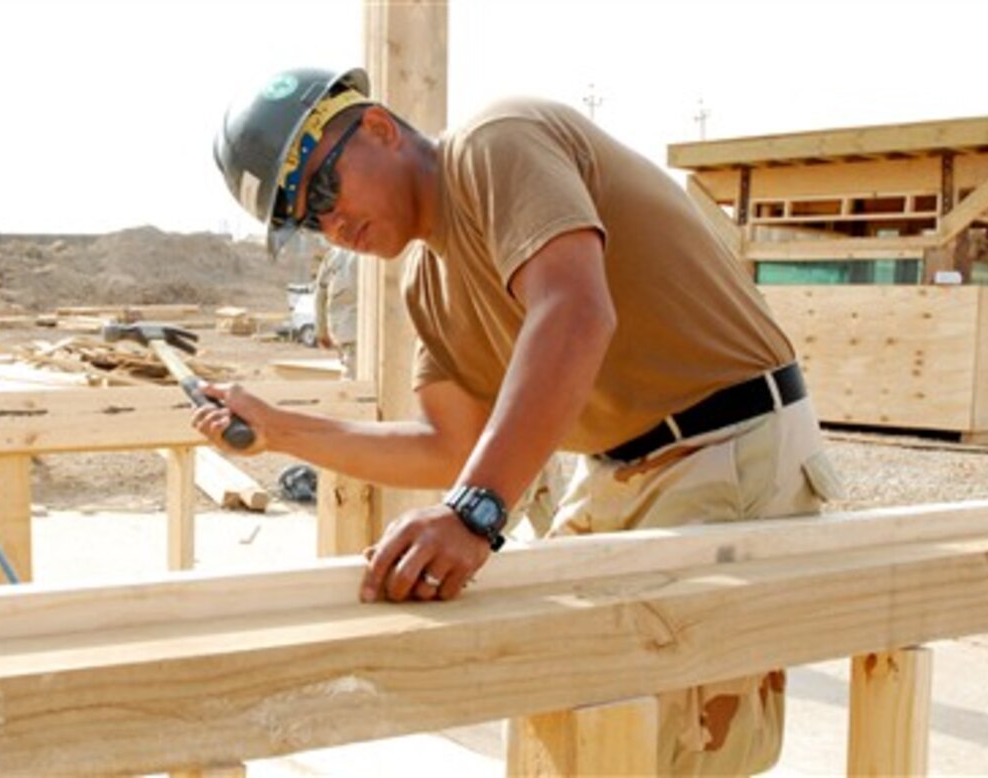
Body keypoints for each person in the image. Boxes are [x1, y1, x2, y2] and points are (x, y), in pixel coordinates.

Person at [207, 65, 844, 775]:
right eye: (303, 219)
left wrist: (475, 514)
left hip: (728, 442)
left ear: (380, 128)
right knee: (558, 721)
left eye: (322, 190)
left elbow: (575, 310)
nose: (330, 224)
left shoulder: (494, 143)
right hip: (620, 470)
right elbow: (448, 447)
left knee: (660, 746)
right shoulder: (429, 281)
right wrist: (278, 429)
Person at [313, 241, 359, 378]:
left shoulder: (334, 255)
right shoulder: (378, 249)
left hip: (348, 332)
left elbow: (320, 295)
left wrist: (321, 331)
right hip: (356, 332)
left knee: (353, 384)